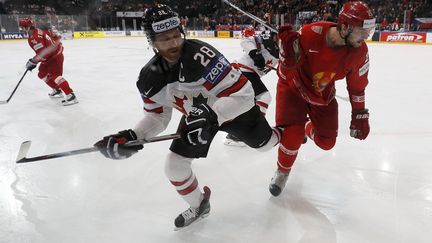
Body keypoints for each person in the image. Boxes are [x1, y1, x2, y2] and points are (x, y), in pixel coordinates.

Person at [94, 4, 281, 229]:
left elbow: (243, 94)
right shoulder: (148, 79)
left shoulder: (201, 55)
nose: (174, 43)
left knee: (265, 144)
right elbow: (157, 117)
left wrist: (212, 117)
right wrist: (134, 135)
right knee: (174, 166)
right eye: (164, 38)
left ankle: (289, 134)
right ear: (151, 41)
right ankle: (200, 205)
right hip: (198, 118)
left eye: (176, 35)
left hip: (233, 111)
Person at [270, 1, 374, 196]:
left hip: (321, 95)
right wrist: (286, 58)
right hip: (293, 89)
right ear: (344, 27)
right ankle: (282, 171)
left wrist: (359, 113)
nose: (366, 36)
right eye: (362, 31)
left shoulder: (359, 52)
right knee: (291, 136)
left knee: (327, 143)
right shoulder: (310, 33)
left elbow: (357, 86)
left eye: (368, 30)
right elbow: (285, 76)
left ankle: (306, 128)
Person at [225, 26, 279, 146]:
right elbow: (246, 40)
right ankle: (253, 131)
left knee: (250, 103)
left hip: (250, 73)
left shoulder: (281, 52)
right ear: (274, 36)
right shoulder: (266, 40)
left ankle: (236, 134)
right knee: (264, 97)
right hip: (243, 70)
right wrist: (254, 53)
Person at [18, 17, 77, 106]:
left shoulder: (34, 38)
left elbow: (44, 54)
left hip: (54, 57)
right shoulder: (38, 31)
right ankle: (57, 90)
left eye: (23, 27)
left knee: (55, 76)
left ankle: (71, 95)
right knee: (42, 73)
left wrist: (33, 61)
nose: (22, 29)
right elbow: (53, 37)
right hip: (50, 57)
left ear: (28, 27)